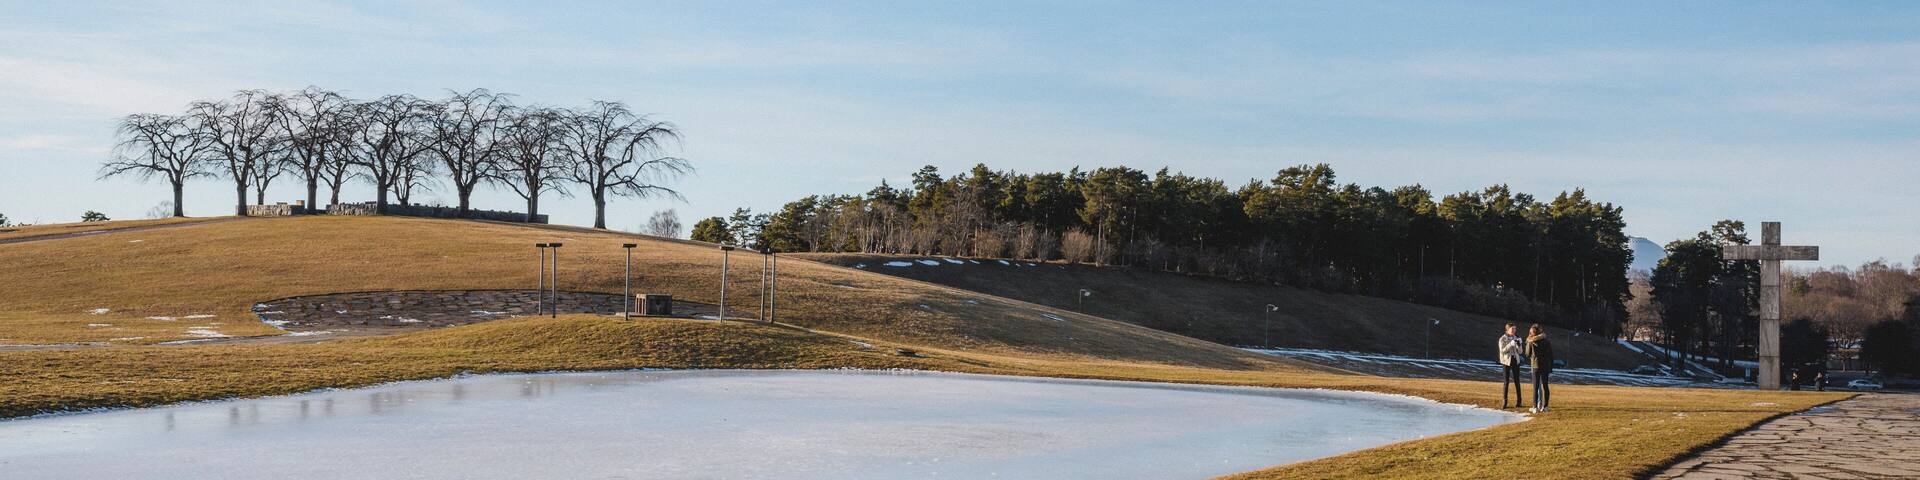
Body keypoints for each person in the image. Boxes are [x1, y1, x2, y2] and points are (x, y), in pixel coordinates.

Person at [1525, 324, 1554, 413]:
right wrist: (1551, 366)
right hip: (1545, 366)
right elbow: (1551, 355)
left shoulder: (1531, 341)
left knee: (1535, 387)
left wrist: (1528, 343)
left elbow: (1527, 354)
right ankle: (1545, 407)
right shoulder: (1546, 341)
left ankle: (1535, 407)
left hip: (1535, 365)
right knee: (1545, 386)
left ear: (1532, 333)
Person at [1498, 323, 1526, 409]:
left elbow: (1520, 352)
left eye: (1515, 329)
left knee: (1517, 381)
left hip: (1515, 361)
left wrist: (1519, 344)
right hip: (1506, 361)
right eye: (1512, 329)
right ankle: (1505, 401)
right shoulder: (1503, 338)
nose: (1514, 330)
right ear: (1507, 329)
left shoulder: (1516, 337)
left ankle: (1519, 401)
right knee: (1506, 382)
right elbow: (1502, 351)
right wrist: (1510, 344)